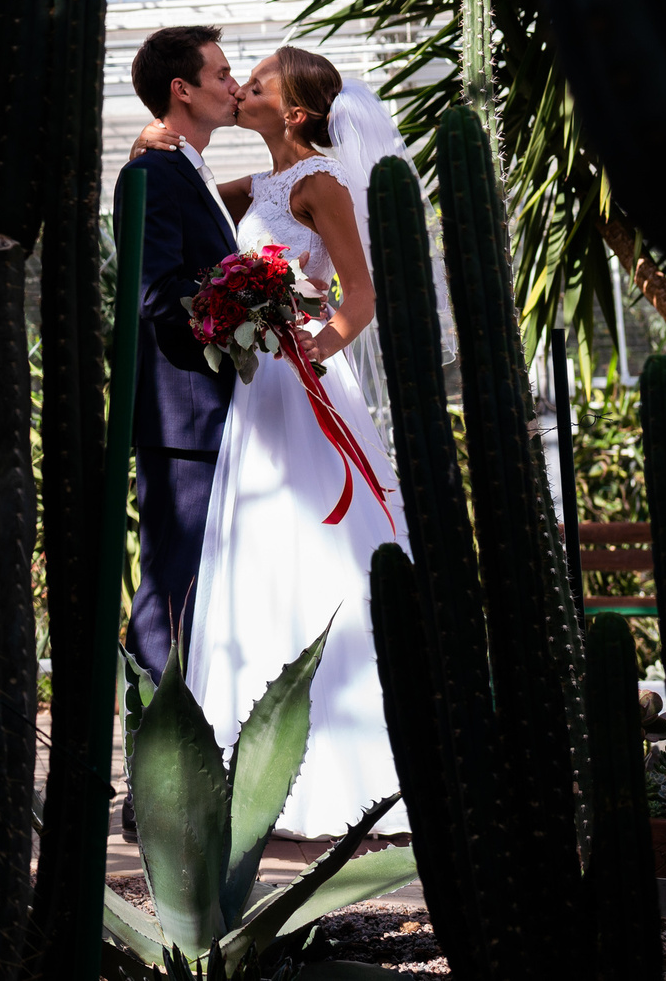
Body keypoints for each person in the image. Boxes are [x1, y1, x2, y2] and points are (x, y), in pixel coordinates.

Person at [129, 46, 414, 837]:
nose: (241, 88)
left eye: (255, 83)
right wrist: (149, 141)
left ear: (290, 112)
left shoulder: (322, 182)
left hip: (298, 377)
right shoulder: (254, 187)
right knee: (253, 555)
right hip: (252, 384)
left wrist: (313, 347)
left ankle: (353, 762)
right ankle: (247, 764)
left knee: (322, 546)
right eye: (234, 78)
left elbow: (360, 295)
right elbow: (186, 203)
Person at [118, 25, 243, 685]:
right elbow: (155, 293)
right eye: (221, 73)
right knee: (173, 586)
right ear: (182, 89)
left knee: (203, 582)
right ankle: (151, 737)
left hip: (212, 414)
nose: (234, 85)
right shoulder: (152, 173)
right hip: (184, 421)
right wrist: (249, 303)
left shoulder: (189, 171)